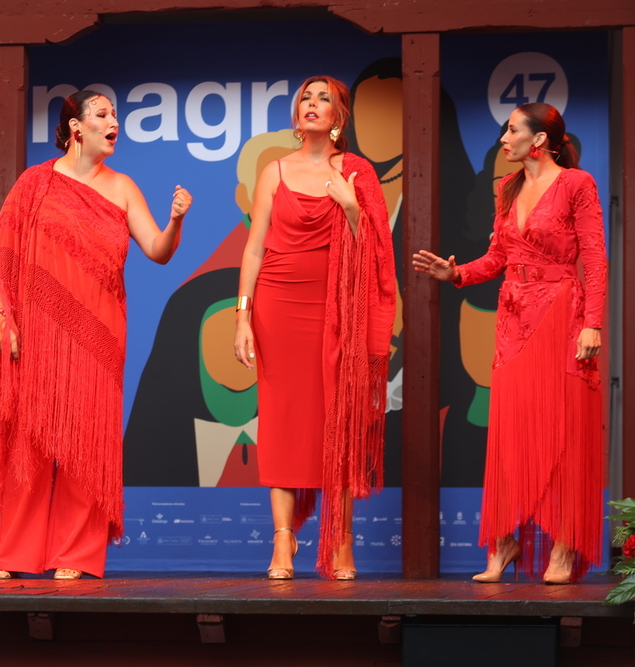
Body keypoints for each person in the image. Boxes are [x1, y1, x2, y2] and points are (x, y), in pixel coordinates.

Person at [0, 90, 192, 580]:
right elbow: (2, 262)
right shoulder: (34, 184)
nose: (114, 121)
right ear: (76, 128)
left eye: (115, 114)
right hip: (37, 333)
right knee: (28, 444)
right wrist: (3, 320)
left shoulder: (123, 188)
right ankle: (14, 554)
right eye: (102, 114)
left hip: (98, 334)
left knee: (85, 445)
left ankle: (73, 556)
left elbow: (158, 250)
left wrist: (176, 221)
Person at [413, 102, 606, 584]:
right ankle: (504, 541)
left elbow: (597, 259)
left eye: (513, 129)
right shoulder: (507, 187)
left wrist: (593, 324)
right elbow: (499, 257)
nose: (504, 136)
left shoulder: (576, 185)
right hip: (513, 319)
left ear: (539, 140)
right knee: (510, 431)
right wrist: (455, 273)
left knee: (562, 429)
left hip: (561, 313)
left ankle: (564, 545)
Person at [233, 76, 396, 580]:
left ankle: (340, 540)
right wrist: (242, 314)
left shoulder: (357, 172)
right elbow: (255, 246)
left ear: (339, 117)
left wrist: (350, 205)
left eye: (323, 99)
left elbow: (375, 250)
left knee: (338, 424)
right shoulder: (273, 170)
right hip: (277, 309)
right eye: (306, 97)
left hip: (336, 313)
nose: (312, 105)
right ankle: (283, 542)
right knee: (281, 424)